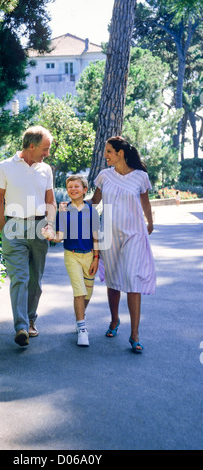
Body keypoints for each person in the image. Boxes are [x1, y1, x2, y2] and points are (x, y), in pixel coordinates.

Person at [0, 126, 56, 347]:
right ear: (32, 145)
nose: (47, 153)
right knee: (19, 277)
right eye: (45, 148)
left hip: (39, 226)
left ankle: (30, 319)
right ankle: (20, 327)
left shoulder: (46, 170)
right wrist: (4, 229)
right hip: (14, 226)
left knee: (35, 280)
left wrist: (50, 224)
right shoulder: (5, 167)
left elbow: (50, 200)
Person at [91, 136, 156, 353]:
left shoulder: (140, 177)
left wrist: (150, 222)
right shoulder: (104, 176)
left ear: (120, 153)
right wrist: (73, 206)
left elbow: (145, 201)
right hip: (109, 234)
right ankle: (114, 320)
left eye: (109, 151)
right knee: (113, 280)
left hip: (134, 234)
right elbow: (94, 202)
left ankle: (135, 334)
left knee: (133, 279)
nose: (105, 155)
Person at [43, 175, 100, 347]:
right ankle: (82, 329)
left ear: (84, 190)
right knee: (79, 291)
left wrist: (96, 258)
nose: (73, 189)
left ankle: (80, 316)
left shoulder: (92, 210)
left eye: (77, 186)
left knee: (87, 294)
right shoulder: (63, 210)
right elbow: (60, 236)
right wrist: (51, 237)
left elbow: (96, 237)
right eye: (70, 187)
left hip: (89, 255)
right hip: (71, 255)